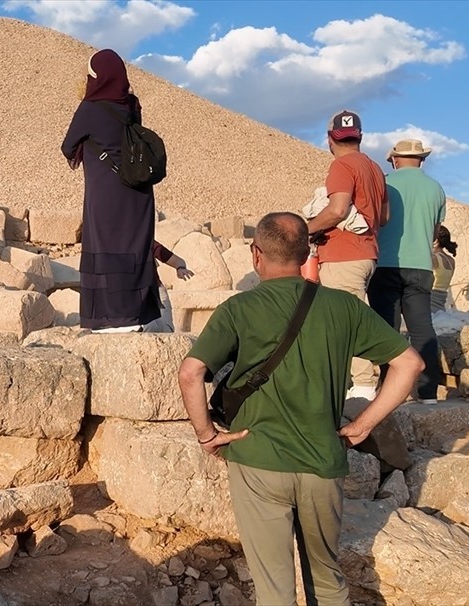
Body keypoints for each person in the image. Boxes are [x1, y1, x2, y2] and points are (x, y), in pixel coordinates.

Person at [178, 212, 424, 606]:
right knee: (327, 583)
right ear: (308, 252)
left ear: (256, 253)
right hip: (322, 462)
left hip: (257, 460)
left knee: (275, 591)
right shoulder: (344, 307)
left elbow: (191, 373)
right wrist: (364, 424)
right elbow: (410, 363)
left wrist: (207, 434)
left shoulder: (238, 308)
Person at [61, 48, 162, 333]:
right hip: (138, 192)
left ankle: (109, 320)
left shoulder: (90, 108)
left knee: (105, 247)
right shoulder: (132, 105)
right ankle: (137, 315)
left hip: (106, 193)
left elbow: (68, 146)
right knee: (135, 248)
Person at [306, 110, 388, 399]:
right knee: (349, 316)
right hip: (367, 253)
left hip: (343, 255)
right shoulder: (375, 168)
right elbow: (385, 216)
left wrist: (307, 228)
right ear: (361, 137)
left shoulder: (341, 166)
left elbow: (338, 210)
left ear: (330, 139)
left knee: (345, 321)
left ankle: (364, 386)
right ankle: (352, 384)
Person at [370, 139, 447, 404]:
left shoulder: (386, 183)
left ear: (394, 159)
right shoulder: (436, 189)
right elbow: (436, 230)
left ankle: (391, 391)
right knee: (422, 329)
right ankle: (429, 393)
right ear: (422, 160)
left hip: (387, 264)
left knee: (387, 331)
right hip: (422, 267)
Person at [144, 241, 194, 332]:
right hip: (132, 299)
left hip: (157, 294)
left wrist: (180, 268)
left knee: (165, 332)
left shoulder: (146, 241)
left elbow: (177, 260)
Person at [432, 225, 458, 312]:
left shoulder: (434, 258)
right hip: (441, 304)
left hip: (429, 303)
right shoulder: (451, 261)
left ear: (435, 241)